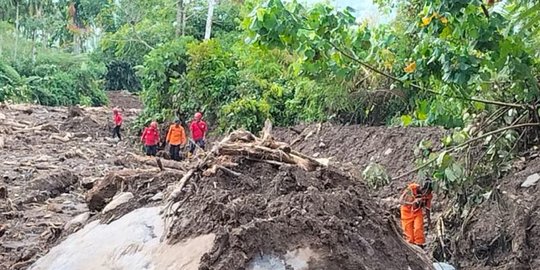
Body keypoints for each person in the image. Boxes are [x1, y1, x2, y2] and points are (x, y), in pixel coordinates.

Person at [399, 180, 433, 248]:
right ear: (422, 189)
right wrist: (413, 203)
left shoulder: (429, 195)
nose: (426, 194)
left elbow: (427, 208)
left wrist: (429, 220)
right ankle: (410, 246)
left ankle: (419, 244)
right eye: (426, 192)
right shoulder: (412, 188)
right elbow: (401, 201)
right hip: (406, 212)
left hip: (417, 212)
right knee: (408, 233)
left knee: (418, 227)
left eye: (429, 192)